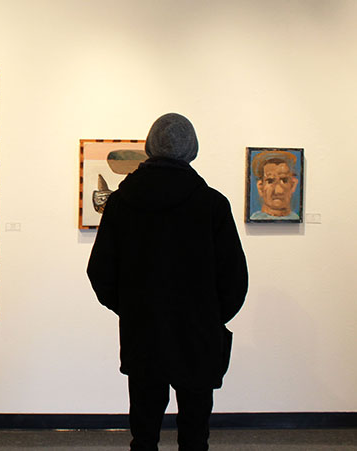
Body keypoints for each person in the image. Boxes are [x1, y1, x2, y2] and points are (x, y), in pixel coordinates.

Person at [87, 113, 248, 450]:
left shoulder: (120, 204)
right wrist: (210, 316)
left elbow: (100, 273)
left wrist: (132, 307)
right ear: (192, 150)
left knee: (143, 432)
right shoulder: (212, 205)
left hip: (143, 332)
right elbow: (234, 279)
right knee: (195, 432)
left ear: (150, 147)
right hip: (198, 335)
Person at [249, 150, 300, 220]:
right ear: (260, 187)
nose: (278, 191)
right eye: (270, 181)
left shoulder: (296, 217)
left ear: (293, 185)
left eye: (284, 180)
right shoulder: (255, 218)